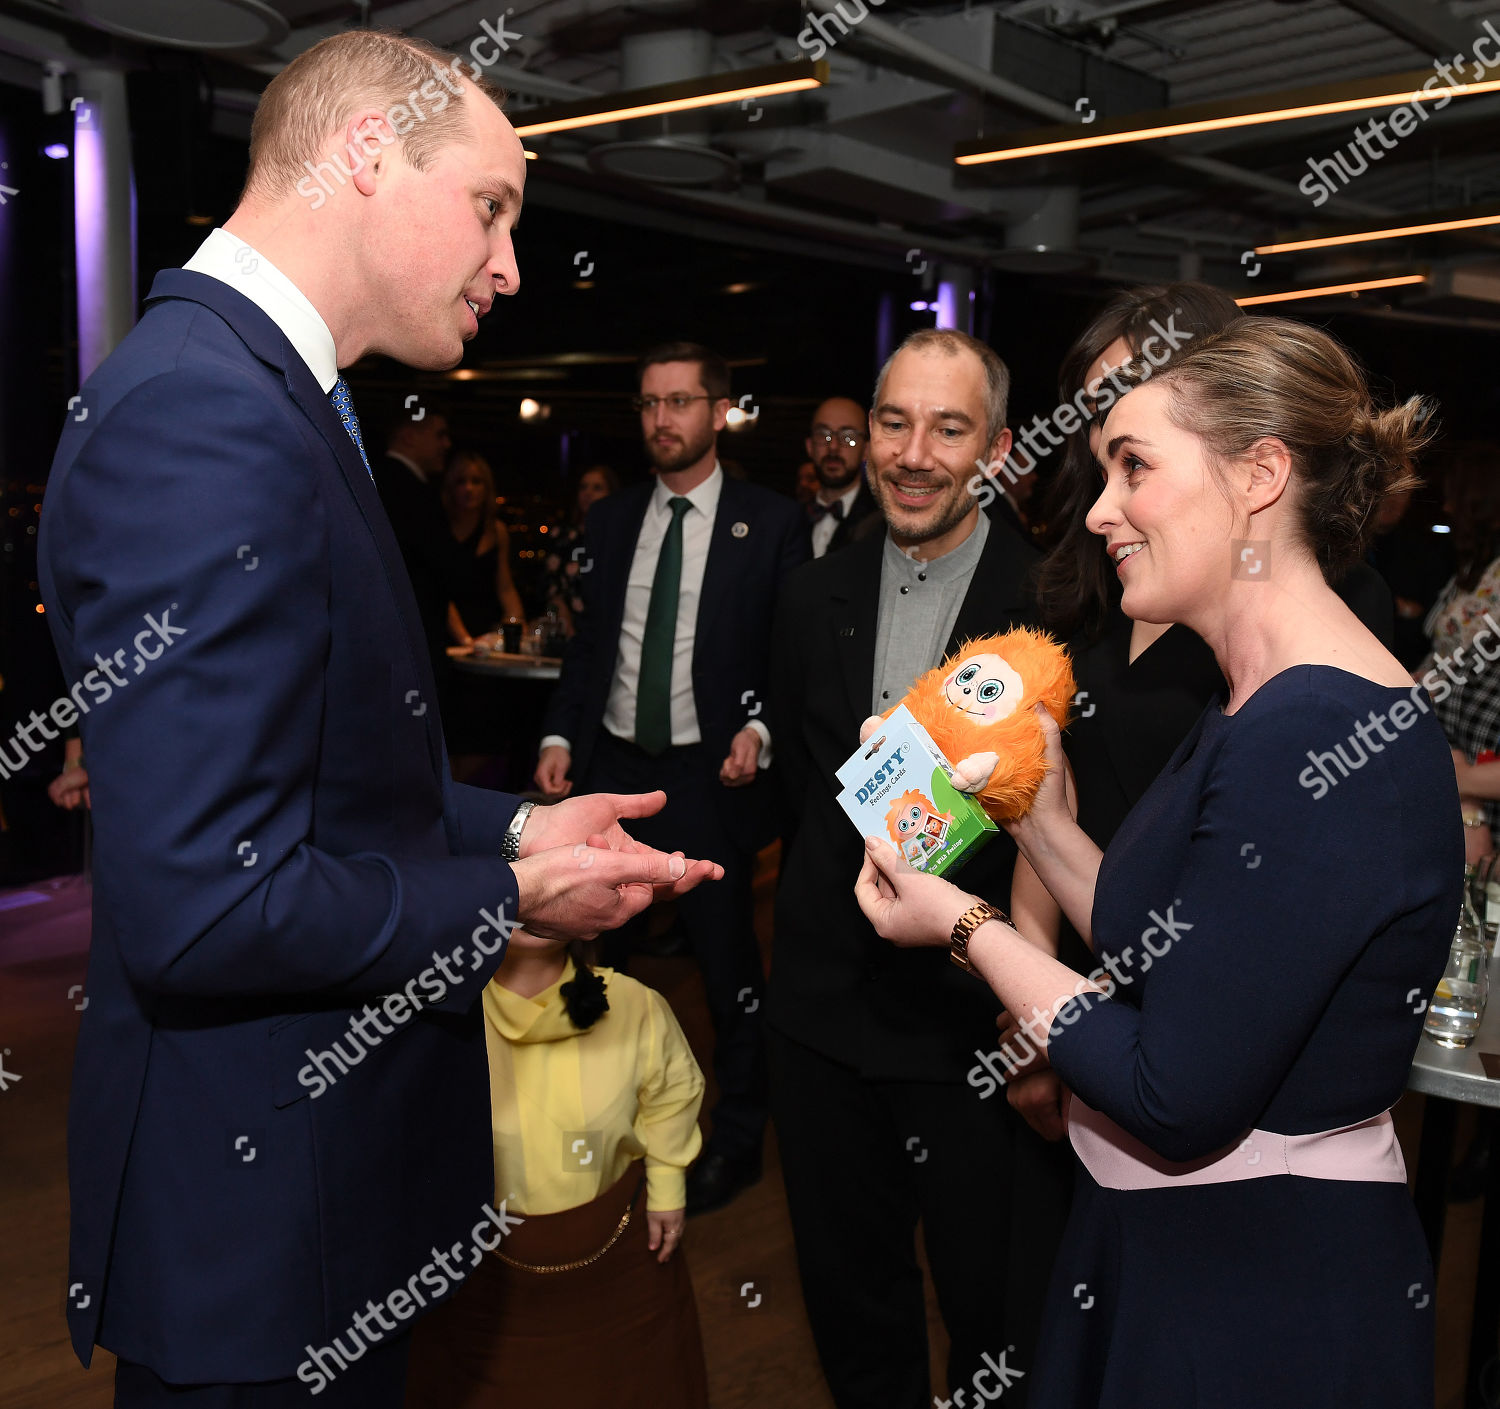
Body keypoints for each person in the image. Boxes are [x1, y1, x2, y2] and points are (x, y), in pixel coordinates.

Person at [37, 30, 720, 1407]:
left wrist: (523, 817)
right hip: (258, 1231)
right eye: (492, 207)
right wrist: (515, 892)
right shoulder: (208, 419)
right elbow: (207, 911)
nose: (512, 265)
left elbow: (325, 783)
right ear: (362, 156)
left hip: (318, 1200)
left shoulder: (275, 397)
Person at [854, 316, 1460, 1408]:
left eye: (1133, 465)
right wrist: (1024, 804)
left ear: (1260, 475)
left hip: (1252, 1289)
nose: (1097, 509)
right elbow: (1164, 937)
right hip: (1178, 1240)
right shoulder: (1260, 696)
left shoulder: (1311, 729)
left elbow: (1171, 1087)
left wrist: (957, 922)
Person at [766, 328, 1065, 1408]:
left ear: (996, 445)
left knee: (990, 1307)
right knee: (853, 1301)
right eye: (894, 422)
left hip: (967, 1024)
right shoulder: (810, 595)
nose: (913, 452)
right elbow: (805, 797)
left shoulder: (1052, 611)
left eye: (950, 427)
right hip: (822, 1020)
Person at [535, 341, 810, 1214]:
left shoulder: (771, 523)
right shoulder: (612, 520)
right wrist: (558, 735)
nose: (663, 419)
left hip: (704, 779)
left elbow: (789, 652)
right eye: (650, 403)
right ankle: (585, 1126)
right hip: (613, 769)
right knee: (585, 958)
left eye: (682, 401)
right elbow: (589, 648)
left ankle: (736, 1138)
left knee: (727, 968)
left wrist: (760, 727)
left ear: (718, 412)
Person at [403, 930, 709, 1408]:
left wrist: (668, 1184)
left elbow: (673, 1093)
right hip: (488, 1279)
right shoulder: (438, 1021)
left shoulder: (635, 1005)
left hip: (623, 1259)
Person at [375, 405, 454, 670]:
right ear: (409, 436)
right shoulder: (409, 491)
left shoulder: (372, 476)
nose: (447, 444)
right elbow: (438, 562)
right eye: (439, 435)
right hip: (411, 637)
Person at [440, 449, 524, 647]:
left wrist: (518, 624)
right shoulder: (440, 528)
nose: (469, 488)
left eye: (476, 481)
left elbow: (505, 587)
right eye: (461, 481)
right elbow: (437, 592)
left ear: (487, 488)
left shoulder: (496, 531)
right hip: (447, 631)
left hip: (485, 632)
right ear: (450, 487)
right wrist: (465, 639)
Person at [539, 463, 619, 634]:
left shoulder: (621, 538)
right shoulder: (562, 536)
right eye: (583, 487)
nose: (588, 493)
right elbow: (552, 587)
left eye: (597, 488)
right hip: (567, 631)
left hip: (607, 630)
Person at [804, 396, 880, 557]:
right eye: (823, 434)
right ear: (809, 446)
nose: (833, 447)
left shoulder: (882, 523)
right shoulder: (789, 519)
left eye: (848, 437)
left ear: (866, 450)